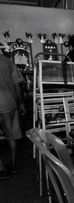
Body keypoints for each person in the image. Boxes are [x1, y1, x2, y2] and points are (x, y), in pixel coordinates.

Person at [0, 51, 25, 180]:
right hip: (8, 103)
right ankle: (14, 165)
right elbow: (17, 85)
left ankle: (2, 168)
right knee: (12, 135)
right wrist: (21, 103)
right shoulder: (8, 61)